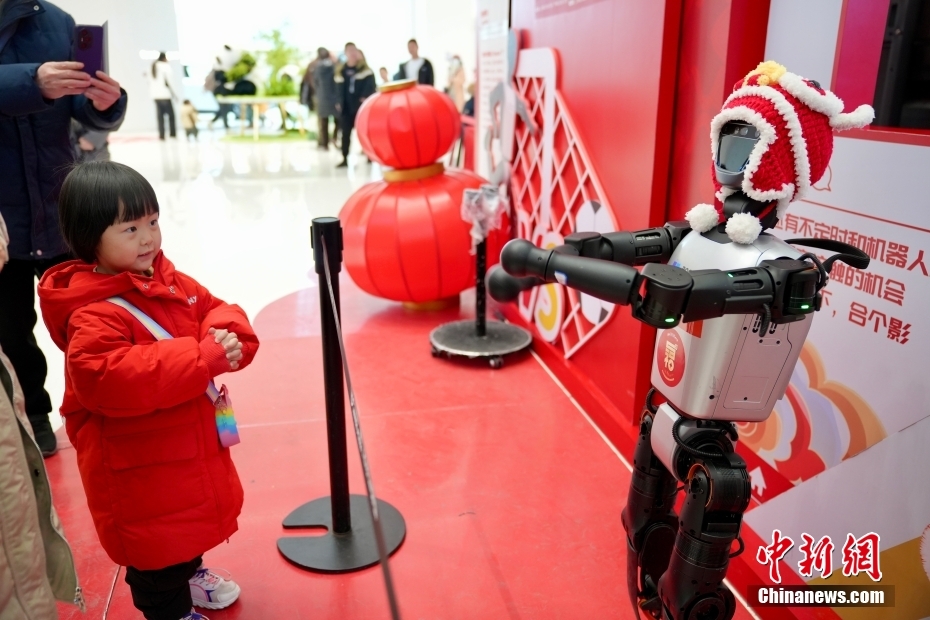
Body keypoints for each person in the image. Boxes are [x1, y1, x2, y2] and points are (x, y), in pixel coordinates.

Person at [38, 162, 260, 620]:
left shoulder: (168, 279)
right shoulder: (92, 313)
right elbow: (107, 376)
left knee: (187, 530)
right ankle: (171, 610)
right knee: (157, 555)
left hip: (186, 447)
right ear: (90, 238)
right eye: (131, 228)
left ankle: (190, 572)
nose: (148, 238)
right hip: (139, 469)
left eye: (153, 222)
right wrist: (203, 358)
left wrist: (226, 336)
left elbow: (215, 309)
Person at [0, 0, 127, 458]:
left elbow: (80, 105)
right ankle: (32, 415)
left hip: (59, 205)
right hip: (3, 222)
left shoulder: (56, 21)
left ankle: (105, 409)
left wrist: (104, 104)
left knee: (92, 320)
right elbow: (38, 85)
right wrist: (31, 81)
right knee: (10, 331)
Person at [335, 42, 375, 167]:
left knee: (363, 132)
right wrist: (337, 101)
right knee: (345, 134)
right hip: (346, 108)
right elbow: (335, 89)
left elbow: (370, 86)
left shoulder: (365, 70)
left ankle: (369, 155)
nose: (352, 53)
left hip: (360, 107)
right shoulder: (340, 71)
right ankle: (345, 157)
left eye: (354, 50)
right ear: (345, 53)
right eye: (349, 51)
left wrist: (365, 98)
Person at [311, 47, 339, 150]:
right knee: (336, 120)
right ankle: (334, 139)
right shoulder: (334, 66)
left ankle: (325, 143)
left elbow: (315, 83)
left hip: (322, 97)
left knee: (324, 122)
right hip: (333, 97)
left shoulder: (316, 67)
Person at [150, 52, 179, 140]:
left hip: (155, 95)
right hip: (165, 95)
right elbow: (170, 82)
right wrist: (175, 94)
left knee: (160, 116)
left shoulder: (152, 66)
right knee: (171, 116)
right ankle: (172, 134)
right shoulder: (165, 66)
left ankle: (162, 135)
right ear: (164, 58)